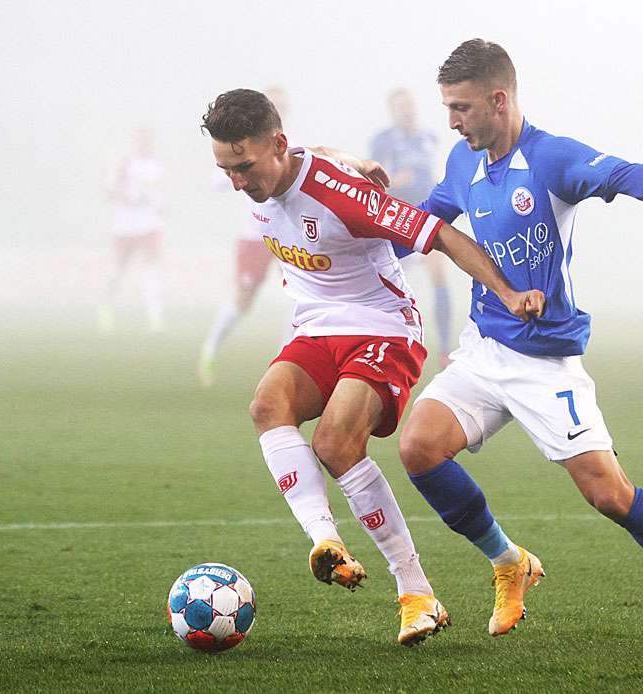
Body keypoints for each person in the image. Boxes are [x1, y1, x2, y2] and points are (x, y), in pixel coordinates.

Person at [388, 40, 643, 656]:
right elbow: (422, 223)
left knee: (610, 495)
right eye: (447, 108)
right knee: (419, 448)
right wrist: (350, 244)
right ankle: (509, 562)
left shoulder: (550, 158)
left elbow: (622, 174)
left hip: (545, 362)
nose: (451, 122)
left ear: (498, 99)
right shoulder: (463, 162)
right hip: (484, 348)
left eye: (460, 107)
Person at [201, 88, 544, 646]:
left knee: (336, 444)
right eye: (227, 169)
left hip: (384, 326)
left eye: (242, 167)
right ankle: (325, 542)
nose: (237, 181)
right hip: (317, 326)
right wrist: (353, 157)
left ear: (275, 147)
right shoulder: (265, 167)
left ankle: (415, 592)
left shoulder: (345, 198)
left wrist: (505, 292)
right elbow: (311, 152)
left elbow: (441, 235)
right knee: (267, 406)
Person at [197, 86, 291, 388]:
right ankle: (209, 350)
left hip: (290, 234)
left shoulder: (289, 143)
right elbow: (218, 182)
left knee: (301, 293)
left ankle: (286, 361)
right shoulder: (241, 145)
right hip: (254, 236)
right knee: (244, 299)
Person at [370, 88, 455, 367]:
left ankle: (444, 348)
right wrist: (398, 179)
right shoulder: (383, 141)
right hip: (396, 222)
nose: (406, 110)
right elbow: (374, 180)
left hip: (426, 218)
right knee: (386, 285)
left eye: (409, 105)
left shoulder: (428, 137)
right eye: (400, 106)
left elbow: (433, 173)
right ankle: (378, 339)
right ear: (392, 111)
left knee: (439, 277)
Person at [96, 127, 166, 333]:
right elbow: (108, 192)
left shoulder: (157, 165)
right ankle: (105, 309)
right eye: (141, 138)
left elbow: (157, 194)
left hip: (150, 226)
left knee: (151, 270)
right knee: (118, 270)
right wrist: (129, 198)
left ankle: (155, 318)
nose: (145, 142)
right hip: (125, 227)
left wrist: (160, 208)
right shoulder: (124, 164)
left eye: (148, 139)